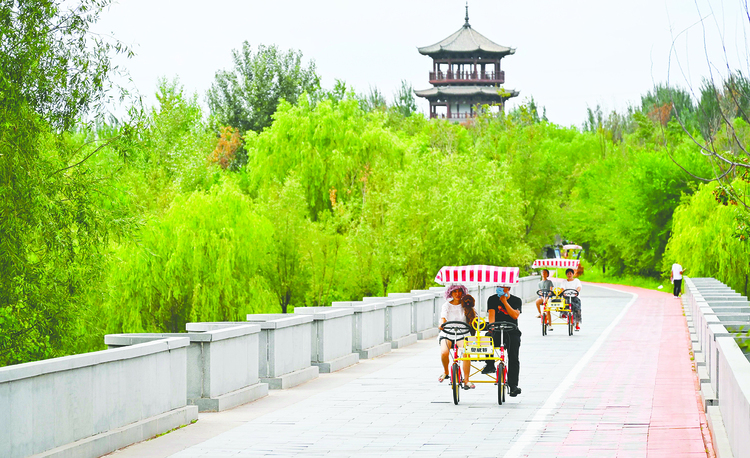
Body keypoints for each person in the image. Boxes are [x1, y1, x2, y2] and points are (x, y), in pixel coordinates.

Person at [481, 285, 522, 397]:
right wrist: (492, 328)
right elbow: (492, 317)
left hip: (512, 331)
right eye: (498, 286)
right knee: (487, 337)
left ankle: (513, 385)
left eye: (502, 287)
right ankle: (490, 364)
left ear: (508, 288)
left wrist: (504, 302)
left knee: (513, 357)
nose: (499, 288)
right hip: (497, 330)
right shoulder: (492, 299)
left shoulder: (516, 300)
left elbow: (514, 315)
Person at [438, 284, 476, 389]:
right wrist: (441, 324)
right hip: (447, 333)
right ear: (450, 293)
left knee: (465, 353)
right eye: (455, 291)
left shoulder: (466, 304)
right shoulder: (446, 305)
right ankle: (446, 371)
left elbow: (473, 317)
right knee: (444, 352)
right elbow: (443, 317)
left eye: (459, 291)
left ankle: (466, 380)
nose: (457, 294)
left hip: (462, 333)